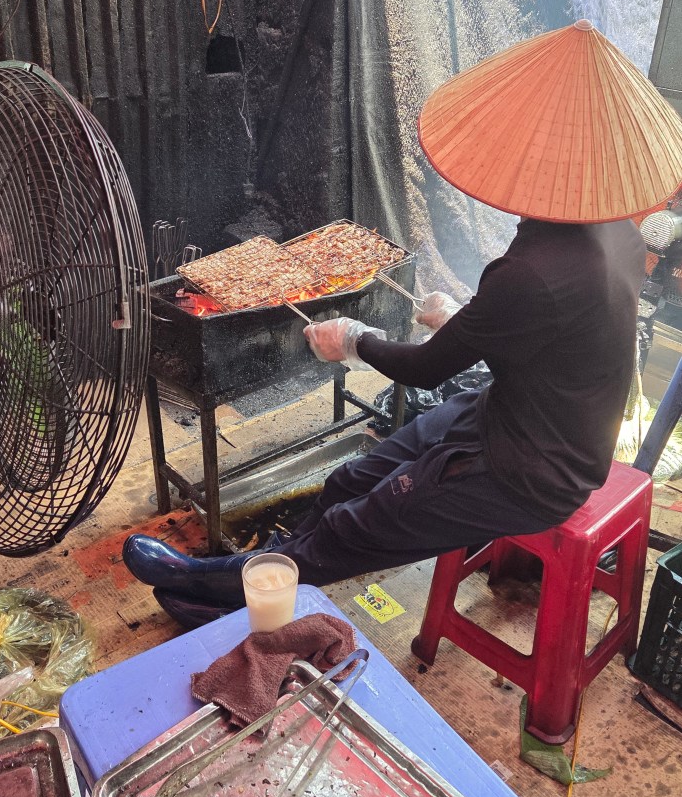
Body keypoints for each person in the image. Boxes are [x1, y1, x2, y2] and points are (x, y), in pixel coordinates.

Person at [124, 215, 646, 625]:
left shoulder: (536, 271)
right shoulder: (615, 230)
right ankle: (277, 570)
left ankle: (223, 588)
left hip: (528, 472)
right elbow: (560, 336)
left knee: (352, 527)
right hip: (508, 412)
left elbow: (425, 368)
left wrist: (355, 340)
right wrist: (468, 320)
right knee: (348, 480)